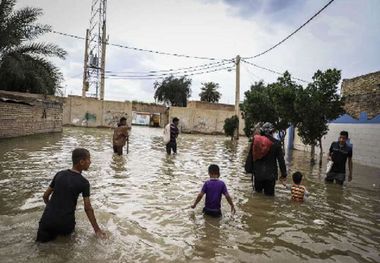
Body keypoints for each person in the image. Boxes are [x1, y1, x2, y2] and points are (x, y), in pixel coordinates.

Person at [36, 148, 106, 242]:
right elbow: (88, 208)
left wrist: (52, 211)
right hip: (65, 224)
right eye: (88, 159)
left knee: (40, 249)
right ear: (81, 162)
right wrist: (97, 230)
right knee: (65, 254)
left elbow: (45, 196)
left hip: (46, 221)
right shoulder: (84, 183)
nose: (90, 162)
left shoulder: (59, 174)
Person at [251, 122, 287, 196]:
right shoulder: (276, 143)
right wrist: (283, 174)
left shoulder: (257, 142)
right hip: (270, 176)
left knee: (257, 196)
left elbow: (251, 157)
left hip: (258, 174)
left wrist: (250, 170)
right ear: (272, 131)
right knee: (269, 198)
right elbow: (281, 161)